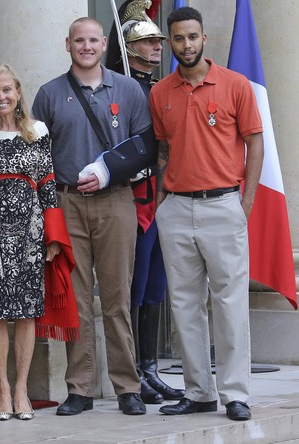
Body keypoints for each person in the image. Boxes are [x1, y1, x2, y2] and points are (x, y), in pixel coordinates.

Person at [32, 17, 150, 416]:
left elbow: (144, 147)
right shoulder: (49, 94)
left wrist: (107, 171)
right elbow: (39, 158)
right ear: (68, 45)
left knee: (118, 296)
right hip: (67, 204)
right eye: (78, 40)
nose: (86, 47)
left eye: (93, 41)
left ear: (104, 44)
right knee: (76, 299)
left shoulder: (130, 89)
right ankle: (79, 389)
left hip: (116, 201)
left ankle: (126, 387)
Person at [150, 6, 263, 421]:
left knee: (230, 302)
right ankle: (199, 392)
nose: (186, 45)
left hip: (222, 205)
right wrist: (164, 199)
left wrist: (245, 203)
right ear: (171, 42)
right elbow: (163, 150)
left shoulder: (235, 85)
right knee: (184, 304)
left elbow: (256, 145)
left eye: (192, 37)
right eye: (178, 38)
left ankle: (235, 394)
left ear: (204, 38)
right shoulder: (160, 92)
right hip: (177, 208)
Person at [0, 63, 66, 421]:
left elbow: (47, 182)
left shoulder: (37, 131)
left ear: (18, 93)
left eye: (7, 90)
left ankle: (22, 390)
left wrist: (54, 236)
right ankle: (2, 391)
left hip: (32, 234)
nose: (1, 97)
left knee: (28, 313)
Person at [105, 0, 185, 404]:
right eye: (149, 40)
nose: (158, 46)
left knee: (156, 285)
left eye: (158, 40)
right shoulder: (121, 87)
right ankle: (133, 369)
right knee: (134, 288)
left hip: (163, 197)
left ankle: (151, 367)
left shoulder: (161, 88)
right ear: (130, 47)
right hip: (134, 200)